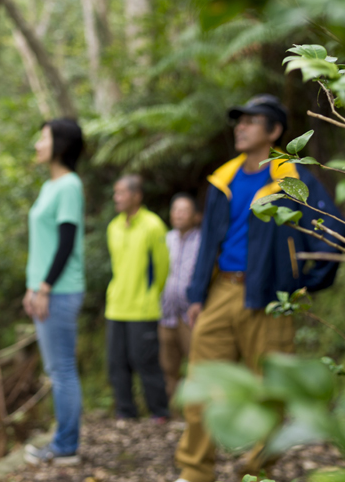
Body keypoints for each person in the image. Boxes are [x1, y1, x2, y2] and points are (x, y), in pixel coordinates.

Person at [174, 94, 343, 482]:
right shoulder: (223, 178)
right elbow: (208, 242)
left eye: (252, 121)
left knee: (270, 392)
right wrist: (199, 294)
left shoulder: (294, 177)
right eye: (240, 121)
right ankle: (195, 472)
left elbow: (332, 232)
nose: (241, 127)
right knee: (202, 384)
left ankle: (256, 472)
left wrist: (300, 283)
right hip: (222, 291)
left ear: (275, 131)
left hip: (270, 295)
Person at [22, 118, 86, 466]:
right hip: (46, 290)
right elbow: (44, 245)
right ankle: (64, 441)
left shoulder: (69, 186)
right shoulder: (51, 186)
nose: (37, 144)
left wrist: (44, 288)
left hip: (59, 292)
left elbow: (65, 243)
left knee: (61, 369)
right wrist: (32, 287)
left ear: (60, 144)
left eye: (43, 137)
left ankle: (65, 446)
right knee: (57, 368)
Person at [105, 175, 170, 421]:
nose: (116, 198)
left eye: (121, 192)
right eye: (116, 193)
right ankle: (125, 411)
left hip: (143, 309)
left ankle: (159, 412)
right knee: (116, 364)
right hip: (116, 307)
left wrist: (150, 294)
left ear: (136, 196)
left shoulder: (153, 225)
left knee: (146, 363)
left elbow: (162, 267)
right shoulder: (113, 226)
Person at [159, 193, 202, 403]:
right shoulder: (165, 239)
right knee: (168, 366)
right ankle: (172, 410)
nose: (178, 214)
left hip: (191, 315)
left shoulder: (203, 242)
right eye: (175, 210)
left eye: (184, 210)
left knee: (196, 363)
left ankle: (195, 410)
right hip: (166, 314)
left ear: (196, 216)